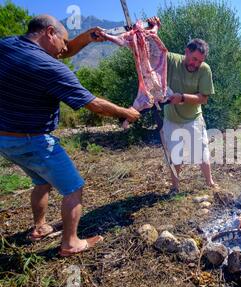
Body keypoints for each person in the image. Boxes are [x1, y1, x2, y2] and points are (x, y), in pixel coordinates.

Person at [0, 15, 141, 257]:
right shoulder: (49, 67)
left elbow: (61, 51)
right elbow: (93, 104)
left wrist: (86, 38)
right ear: (50, 32)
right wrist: (125, 112)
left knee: (41, 182)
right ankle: (71, 243)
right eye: (63, 41)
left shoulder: (7, 44)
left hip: (5, 140)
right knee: (74, 187)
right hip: (32, 139)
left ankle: (40, 227)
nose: (66, 49)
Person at [147, 18, 217, 193]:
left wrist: (182, 97)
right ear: (187, 51)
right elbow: (154, 52)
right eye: (193, 59)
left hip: (193, 118)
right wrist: (152, 29)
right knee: (175, 155)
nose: (195, 64)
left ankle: (210, 183)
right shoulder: (172, 60)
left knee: (202, 152)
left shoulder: (204, 69)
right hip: (171, 118)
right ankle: (175, 187)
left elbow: (203, 98)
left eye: (199, 61)